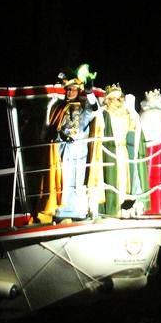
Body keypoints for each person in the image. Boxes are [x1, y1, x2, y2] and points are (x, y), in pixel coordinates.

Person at [45, 67, 100, 224]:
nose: (70, 92)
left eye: (73, 89)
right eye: (68, 89)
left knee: (77, 180)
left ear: (78, 91)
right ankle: (61, 211)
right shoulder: (59, 107)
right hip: (63, 149)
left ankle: (77, 211)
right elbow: (54, 128)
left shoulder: (83, 106)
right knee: (63, 178)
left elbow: (94, 109)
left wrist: (90, 93)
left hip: (78, 149)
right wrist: (59, 136)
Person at [86, 83, 147, 219]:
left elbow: (135, 126)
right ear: (108, 100)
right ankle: (112, 208)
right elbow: (98, 125)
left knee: (126, 179)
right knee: (113, 178)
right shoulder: (103, 113)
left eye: (119, 98)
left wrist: (132, 110)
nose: (116, 101)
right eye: (113, 98)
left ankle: (123, 206)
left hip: (123, 150)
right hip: (110, 151)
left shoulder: (127, 113)